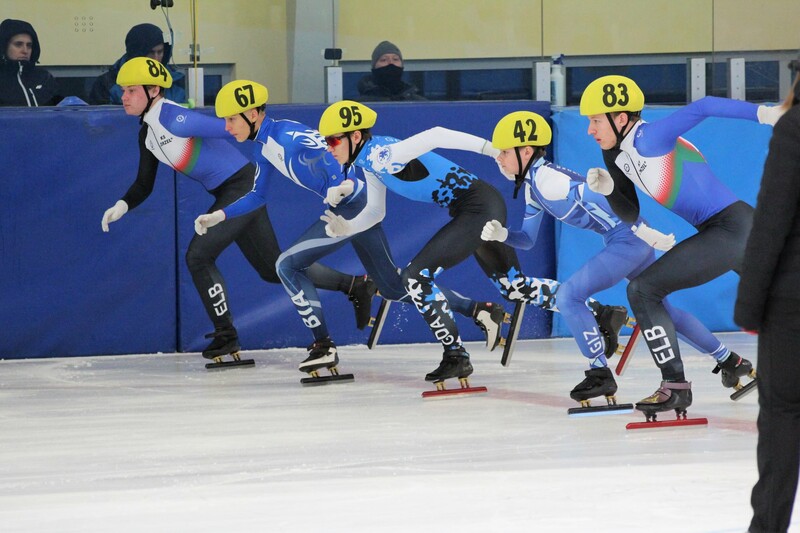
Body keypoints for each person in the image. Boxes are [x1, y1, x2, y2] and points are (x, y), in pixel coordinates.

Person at [194, 80, 505, 376]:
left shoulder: (288, 136)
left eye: (231, 119)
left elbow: (332, 154)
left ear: (252, 114)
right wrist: (219, 216)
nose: (226, 126)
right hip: (357, 209)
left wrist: (341, 185)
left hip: (351, 204)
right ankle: (478, 309)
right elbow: (256, 196)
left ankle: (323, 345)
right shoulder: (263, 148)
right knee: (395, 288)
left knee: (286, 265)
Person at [317, 100, 623, 386]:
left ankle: (456, 356)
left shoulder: (380, 154)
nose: (329, 149)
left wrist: (493, 151)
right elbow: (375, 211)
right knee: (514, 287)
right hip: (479, 207)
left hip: (477, 209)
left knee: (415, 277)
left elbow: (436, 134)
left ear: (355, 136)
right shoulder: (370, 162)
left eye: (332, 141)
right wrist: (348, 227)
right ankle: (602, 313)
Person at [100, 59, 372, 364]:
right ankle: (356, 285)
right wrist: (121, 206)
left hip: (241, 187)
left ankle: (226, 335)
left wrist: (284, 144)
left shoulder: (174, 118)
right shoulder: (148, 134)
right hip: (230, 190)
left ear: (153, 90)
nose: (123, 96)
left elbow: (233, 127)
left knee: (198, 256)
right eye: (123, 90)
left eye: (131, 90)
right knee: (273, 269)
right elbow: (143, 183)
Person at [483, 110, 751, 408]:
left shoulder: (549, 181)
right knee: (665, 313)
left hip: (629, 239)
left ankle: (599, 373)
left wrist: (643, 231)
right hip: (624, 240)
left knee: (570, 296)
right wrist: (503, 235)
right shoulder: (534, 187)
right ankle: (731, 360)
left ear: (527, 151)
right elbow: (528, 240)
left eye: (505, 152)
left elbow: (603, 198)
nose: (499, 159)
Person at [578, 74, 785, 418]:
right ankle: (732, 367)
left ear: (622, 118)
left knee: (643, 290)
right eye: (587, 121)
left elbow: (704, 106)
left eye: (596, 120)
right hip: (728, 229)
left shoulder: (648, 138)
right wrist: (609, 190)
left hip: (730, 228)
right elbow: (629, 209)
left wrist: (766, 114)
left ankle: (674, 386)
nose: (590, 129)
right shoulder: (617, 154)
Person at [735, 69, 800, 533]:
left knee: (782, 415)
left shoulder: (794, 127)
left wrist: (749, 305)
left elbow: (771, 220)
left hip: (793, 302)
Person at [89, 23, 185, 105]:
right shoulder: (106, 84)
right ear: (136, 54)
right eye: (151, 52)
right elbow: (100, 122)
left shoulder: (176, 82)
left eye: (160, 52)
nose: (156, 59)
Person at [0, 18, 58, 106]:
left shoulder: (44, 77)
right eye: (18, 44)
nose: (25, 50)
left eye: (29, 45)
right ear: (4, 46)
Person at [357, 40, 425, 102]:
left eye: (395, 59)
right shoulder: (360, 105)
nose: (390, 63)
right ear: (374, 67)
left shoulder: (418, 102)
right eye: (384, 60)